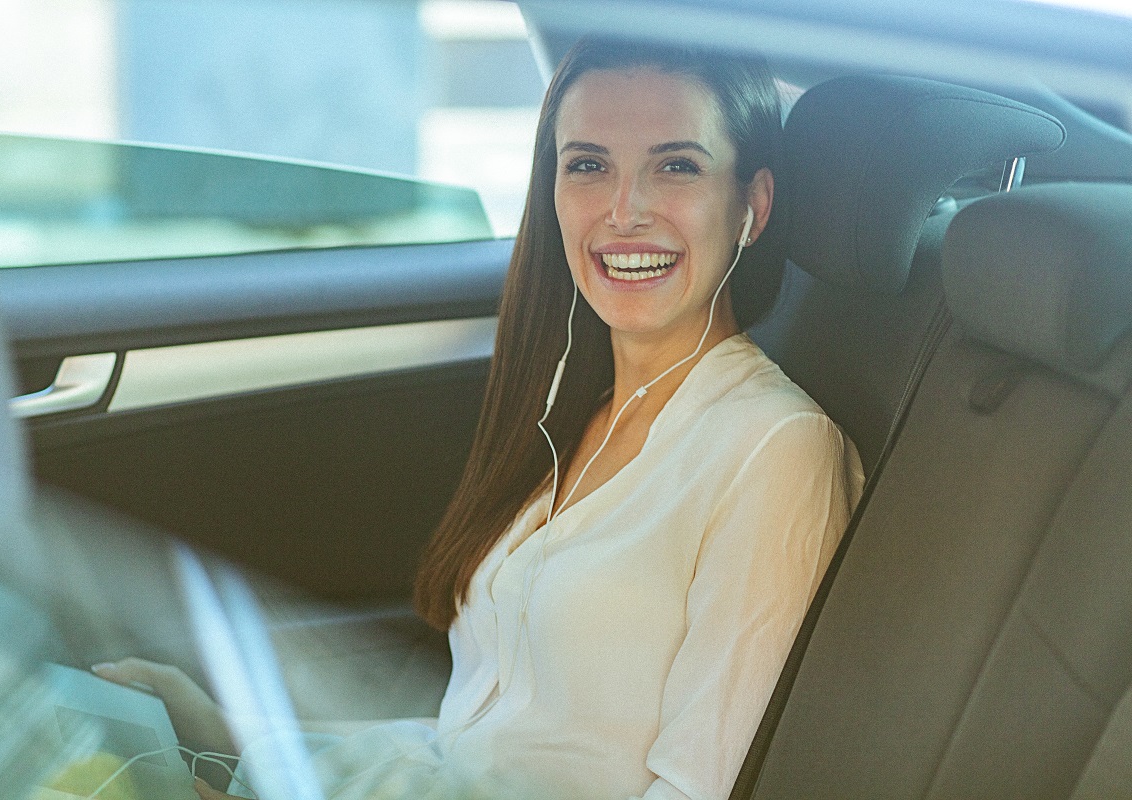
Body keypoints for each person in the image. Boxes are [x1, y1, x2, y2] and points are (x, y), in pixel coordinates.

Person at [95, 37, 863, 800]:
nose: (624, 211)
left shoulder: (776, 451)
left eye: (677, 166)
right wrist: (225, 731)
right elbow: (467, 746)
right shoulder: (577, 410)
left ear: (751, 206)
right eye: (588, 165)